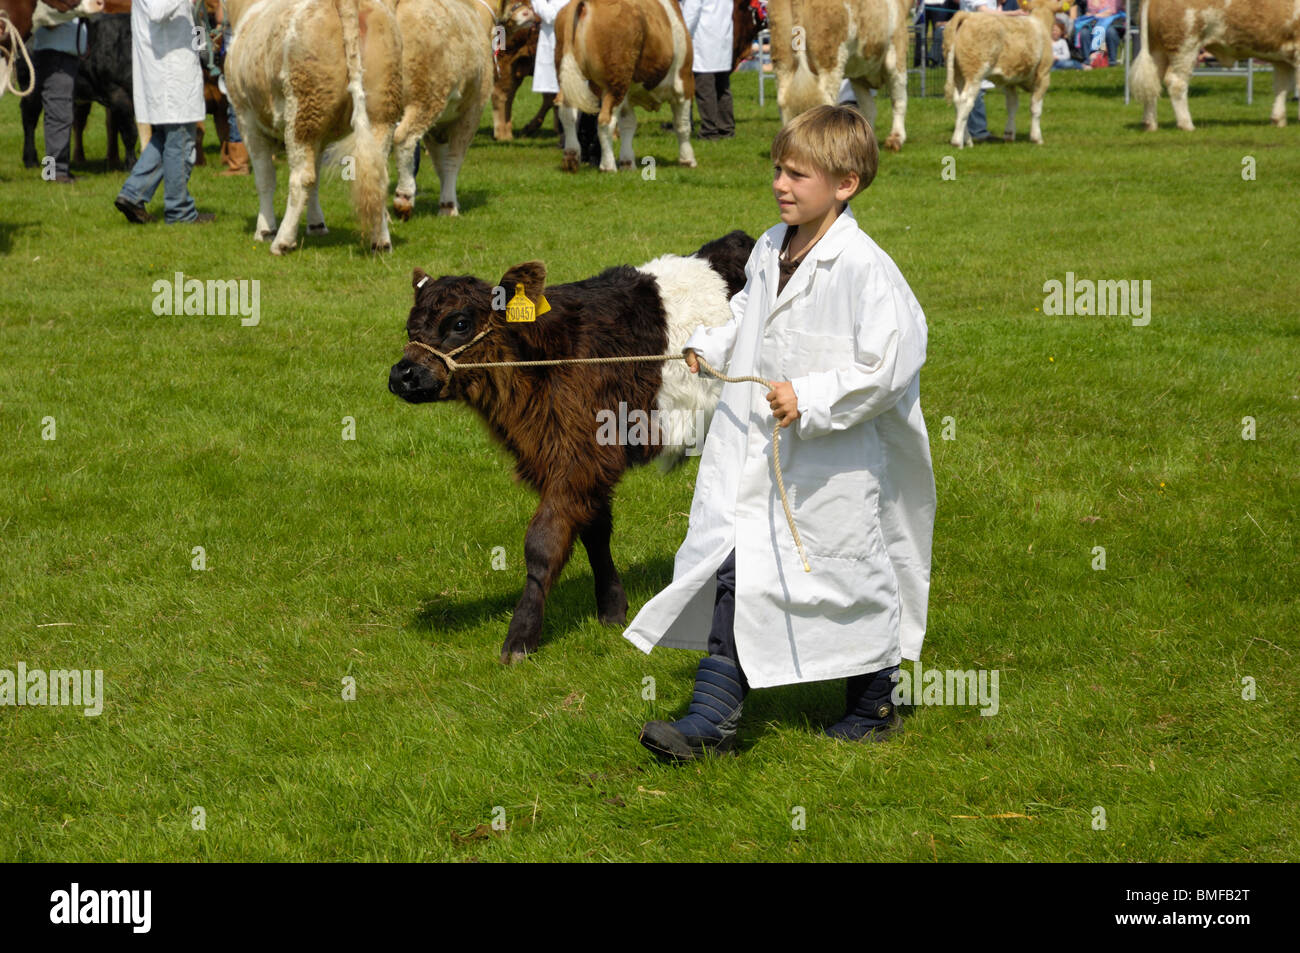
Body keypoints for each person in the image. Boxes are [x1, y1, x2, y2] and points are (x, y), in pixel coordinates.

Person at [626, 105, 936, 761]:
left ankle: (874, 701)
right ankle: (714, 721)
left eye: (798, 174)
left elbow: (892, 360)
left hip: (835, 458)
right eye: (777, 169)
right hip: (759, 447)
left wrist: (816, 394)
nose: (781, 184)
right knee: (742, 564)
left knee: (846, 576)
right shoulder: (772, 245)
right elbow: (747, 314)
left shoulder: (864, 267)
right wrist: (707, 345)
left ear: (845, 183)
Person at [114, 0, 213, 224]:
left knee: (166, 138)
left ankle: (133, 194)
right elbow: (159, 10)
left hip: (168, 65)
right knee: (181, 140)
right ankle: (180, 212)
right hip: (170, 70)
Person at [28, 0, 104, 184]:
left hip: (62, 53)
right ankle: (55, 172)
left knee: (59, 114)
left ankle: (57, 170)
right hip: (56, 54)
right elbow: (48, 19)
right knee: (58, 115)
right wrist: (80, 11)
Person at [682, 0, 734, 139]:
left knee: (705, 89)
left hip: (704, 38)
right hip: (723, 35)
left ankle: (709, 131)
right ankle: (726, 128)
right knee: (722, 88)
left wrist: (682, 34)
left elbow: (692, 11)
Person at [1070, 0, 1125, 68]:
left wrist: (1100, 14)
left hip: (1111, 22)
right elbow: (1090, 10)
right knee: (1084, 33)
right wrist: (1092, 14)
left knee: (1110, 32)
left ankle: (1112, 62)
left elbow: (1113, 10)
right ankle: (1087, 62)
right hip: (1093, 21)